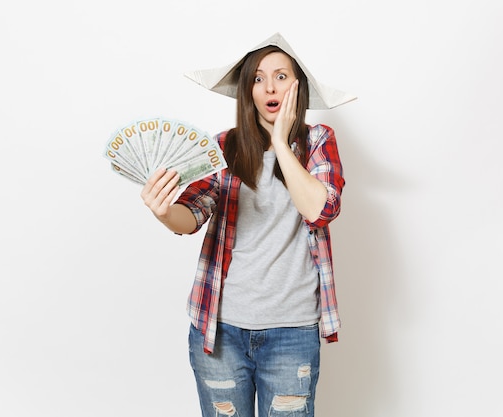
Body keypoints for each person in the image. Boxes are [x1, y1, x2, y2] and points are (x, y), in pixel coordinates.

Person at [140, 33, 356, 417]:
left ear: (298, 87)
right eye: (257, 78)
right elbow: (191, 215)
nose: (270, 87)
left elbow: (320, 210)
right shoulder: (223, 147)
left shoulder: (319, 141)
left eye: (281, 76)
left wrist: (280, 141)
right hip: (220, 331)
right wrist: (162, 210)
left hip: (292, 332)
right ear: (247, 91)